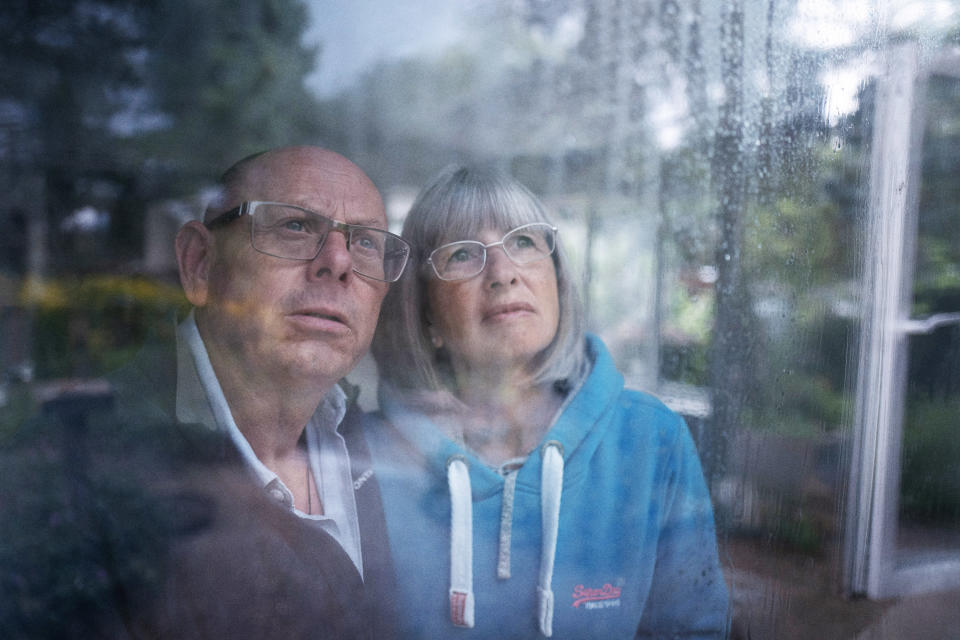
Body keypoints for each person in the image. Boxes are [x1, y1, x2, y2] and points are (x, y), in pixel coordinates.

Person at [0, 146, 408, 638]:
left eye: (366, 243)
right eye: (295, 226)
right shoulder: (66, 470)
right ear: (198, 264)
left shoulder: (387, 452)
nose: (338, 262)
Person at [366, 165, 730, 638]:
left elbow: (690, 629)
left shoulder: (652, 439)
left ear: (557, 279)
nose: (503, 274)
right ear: (426, 313)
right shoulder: (365, 457)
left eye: (523, 242)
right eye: (462, 254)